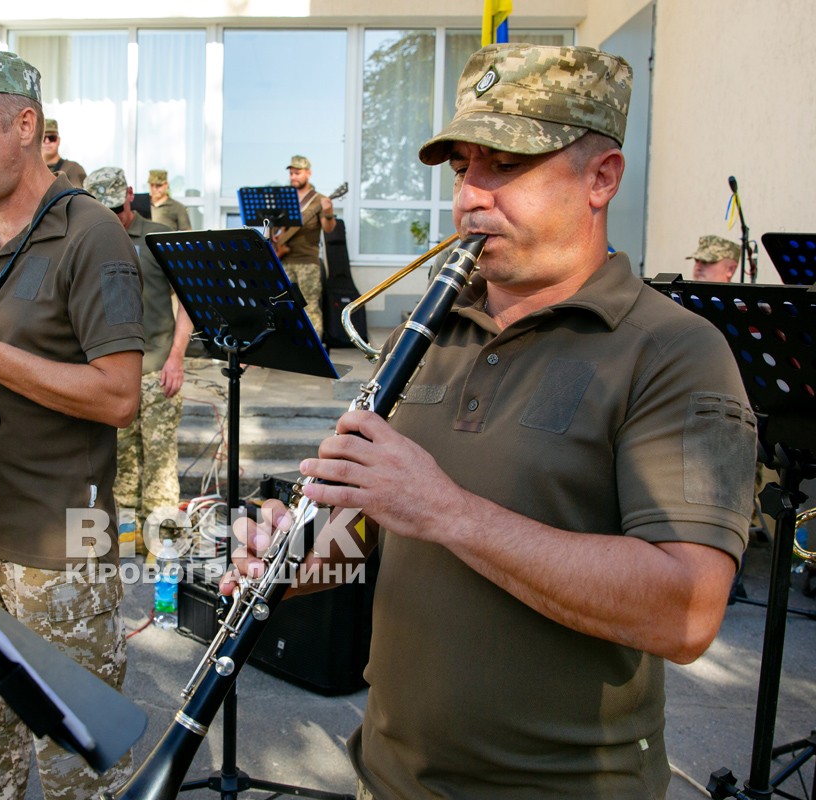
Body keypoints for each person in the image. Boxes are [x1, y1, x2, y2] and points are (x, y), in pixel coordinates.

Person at [226, 43, 756, 799]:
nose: (470, 197)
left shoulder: (675, 351)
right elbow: (382, 529)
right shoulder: (434, 333)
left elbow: (688, 611)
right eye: (462, 168)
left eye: (505, 165)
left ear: (601, 179)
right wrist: (297, 560)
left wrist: (445, 509)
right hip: (387, 774)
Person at [0, 51, 143, 800]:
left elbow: (118, 397)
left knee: (77, 766)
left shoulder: (91, 231)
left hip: (59, 546)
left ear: (26, 125)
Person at [85, 167, 193, 556]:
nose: (113, 217)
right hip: (111, 376)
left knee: (161, 466)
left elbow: (188, 302)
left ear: (130, 195)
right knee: (122, 467)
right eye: (104, 209)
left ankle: (163, 547)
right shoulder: (91, 240)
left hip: (157, 368)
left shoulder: (158, 237)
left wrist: (177, 358)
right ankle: (128, 544)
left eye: (117, 207)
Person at [271, 155, 335, 339]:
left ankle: (314, 349)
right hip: (282, 259)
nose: (293, 177)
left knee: (309, 306)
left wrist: (329, 212)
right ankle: (287, 345)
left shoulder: (318, 200)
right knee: (281, 305)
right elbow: (273, 228)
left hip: (307, 261)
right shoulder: (284, 199)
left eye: (297, 173)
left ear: (308, 173)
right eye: (291, 173)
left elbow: (329, 229)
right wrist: (273, 242)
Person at [41, 118, 87, 188]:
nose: (47, 142)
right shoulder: (31, 171)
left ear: (58, 140)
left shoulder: (73, 169)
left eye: (52, 138)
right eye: (43, 138)